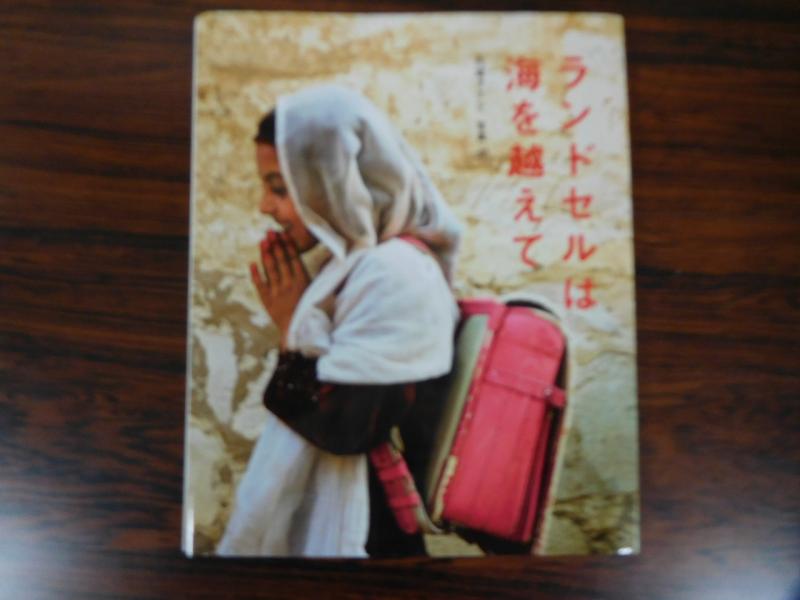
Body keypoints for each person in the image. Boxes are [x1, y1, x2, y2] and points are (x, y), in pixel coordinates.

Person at [216, 83, 463, 557]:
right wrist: (295, 327)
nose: (265, 207)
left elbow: (345, 428)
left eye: (280, 189)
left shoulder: (396, 273)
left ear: (335, 182)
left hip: (370, 535)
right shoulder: (358, 267)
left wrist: (294, 326)